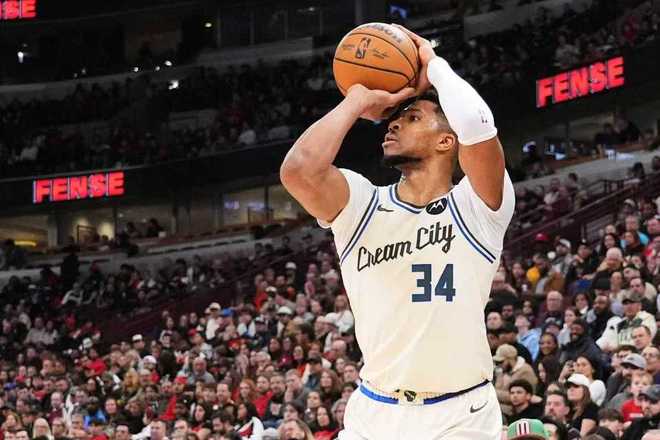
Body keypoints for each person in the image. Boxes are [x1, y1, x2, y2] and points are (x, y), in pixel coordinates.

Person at [280, 24, 513, 439]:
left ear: (446, 142)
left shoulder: (477, 205)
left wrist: (432, 64)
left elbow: (477, 125)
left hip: (461, 415)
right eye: (395, 119)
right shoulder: (362, 204)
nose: (393, 125)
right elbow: (298, 170)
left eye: (412, 117)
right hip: (375, 412)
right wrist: (357, 99)